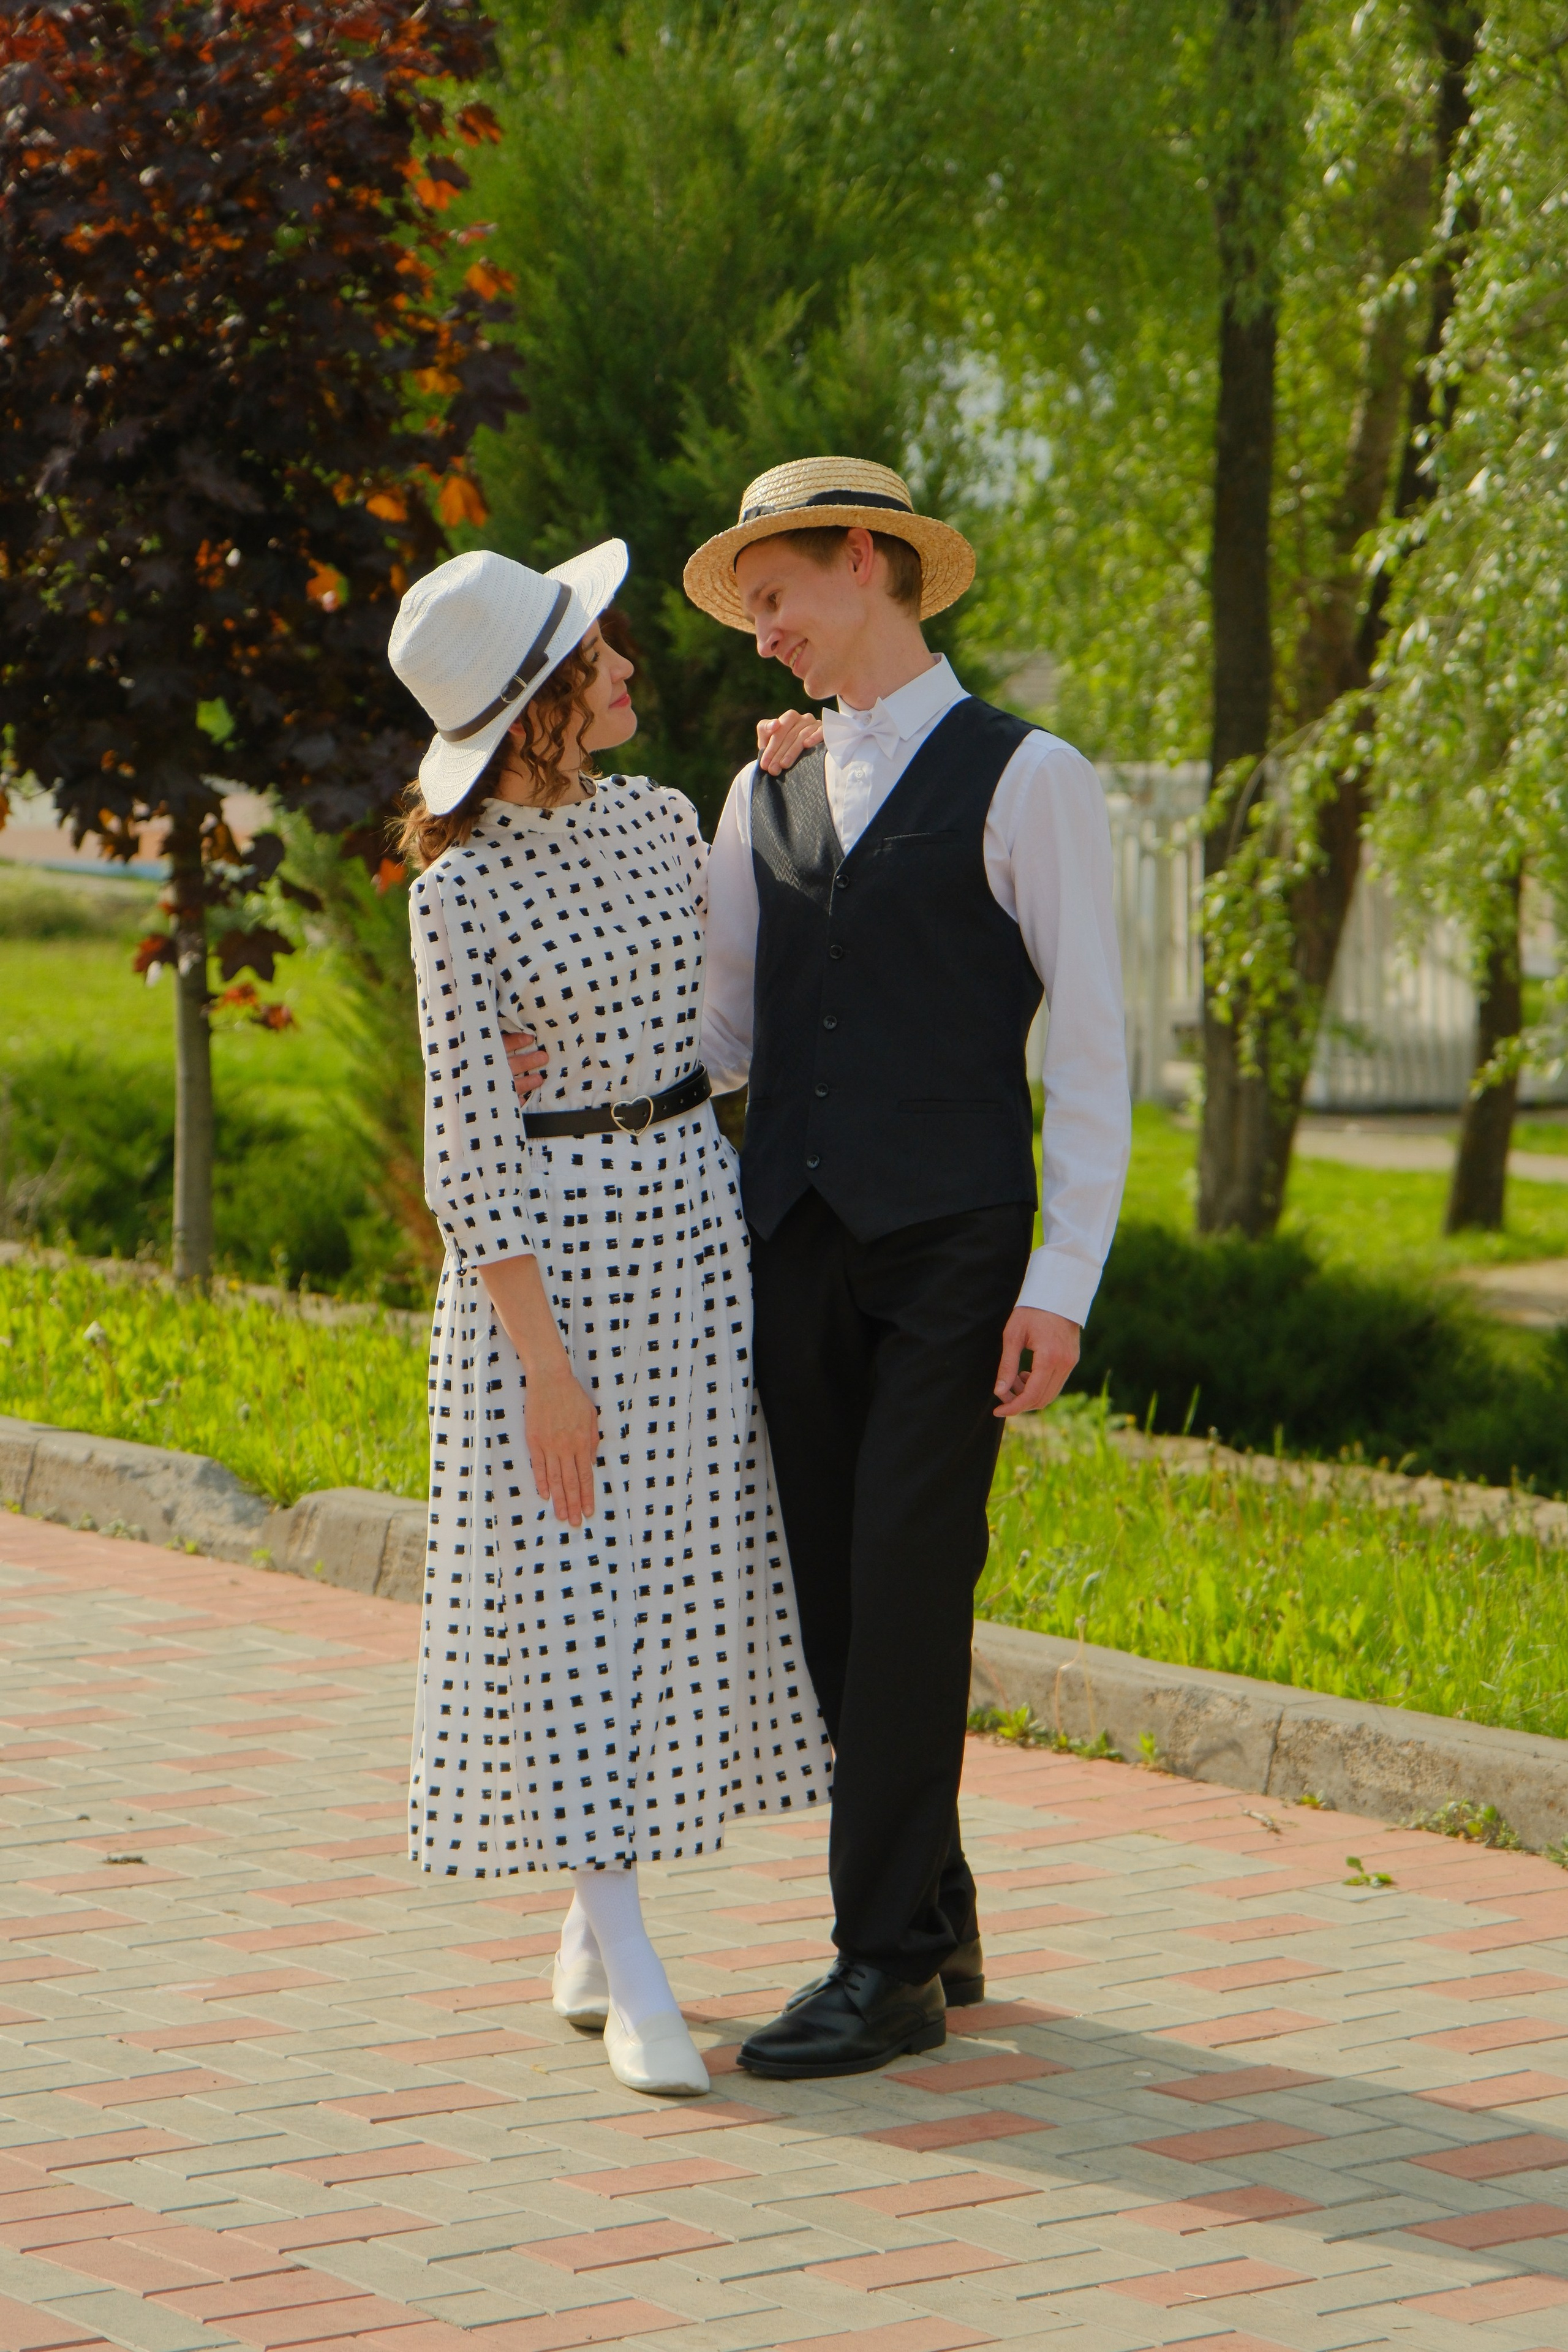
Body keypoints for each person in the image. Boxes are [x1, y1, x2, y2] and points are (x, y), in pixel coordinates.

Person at [679, 456, 1132, 2079]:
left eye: (777, 595)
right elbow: (724, 1033)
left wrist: (1060, 1283)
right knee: (829, 1598)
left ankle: (886, 1969)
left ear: (866, 563)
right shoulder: (762, 794)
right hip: (788, 1240)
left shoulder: (1033, 779)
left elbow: (1089, 1057)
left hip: (954, 1252)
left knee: (908, 1581)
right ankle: (935, 1894)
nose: (763, 634)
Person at [386, 541, 832, 2100]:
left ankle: (592, 1919)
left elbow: (723, 1008)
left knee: (661, 1586)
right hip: (548, 1277)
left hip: (688, 1231)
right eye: (603, 653)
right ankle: (634, 1957)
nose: (632, 666)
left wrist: (777, 784)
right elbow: (467, 1155)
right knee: (569, 1592)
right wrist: (545, 1369)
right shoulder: (455, 897)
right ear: (539, 706)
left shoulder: (656, 819)